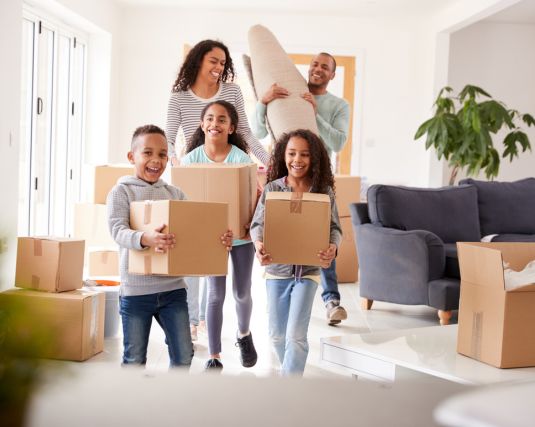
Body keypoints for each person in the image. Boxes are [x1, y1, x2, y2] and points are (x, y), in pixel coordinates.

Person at [166, 39, 270, 339]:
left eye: (223, 63)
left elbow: (247, 134)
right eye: (213, 61)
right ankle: (193, 322)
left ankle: (223, 329)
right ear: (198, 60)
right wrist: (179, 170)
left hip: (228, 170)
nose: (219, 67)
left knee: (226, 261)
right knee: (196, 254)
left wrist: (271, 162)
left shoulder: (232, 91)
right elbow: (171, 138)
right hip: (195, 170)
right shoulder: (179, 97)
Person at [107, 124, 233, 367]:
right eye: (148, 153)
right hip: (136, 291)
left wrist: (219, 240)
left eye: (163, 154)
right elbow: (117, 230)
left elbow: (196, 231)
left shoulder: (175, 194)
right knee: (134, 358)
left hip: (173, 289)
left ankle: (175, 400)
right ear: (132, 156)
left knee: (184, 354)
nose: (156, 160)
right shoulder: (121, 192)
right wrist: (145, 238)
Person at [252, 52, 350, 326]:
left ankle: (331, 300)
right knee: (282, 229)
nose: (318, 69)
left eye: (325, 67)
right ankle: (282, 285)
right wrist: (263, 102)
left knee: (320, 234)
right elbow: (258, 130)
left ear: (332, 74)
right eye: (315, 64)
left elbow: (339, 142)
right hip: (285, 175)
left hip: (317, 177)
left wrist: (315, 116)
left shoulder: (338, 105)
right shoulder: (289, 94)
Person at [250, 129, 342, 376]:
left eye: (304, 155)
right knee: (278, 335)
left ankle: (289, 386)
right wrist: (259, 245)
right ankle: (289, 373)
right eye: (292, 154)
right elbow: (257, 225)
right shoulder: (272, 189)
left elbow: (335, 228)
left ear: (314, 159)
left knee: (296, 335)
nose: (297, 160)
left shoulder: (323, 192)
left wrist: (333, 247)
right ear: (283, 156)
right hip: (277, 272)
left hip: (308, 273)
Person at [182, 100, 258, 371]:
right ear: (202, 124)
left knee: (241, 292)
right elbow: (185, 202)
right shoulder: (191, 161)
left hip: (241, 237)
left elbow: (252, 196)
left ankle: (244, 334)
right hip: (211, 238)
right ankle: (214, 356)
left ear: (231, 127)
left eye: (222, 119)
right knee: (215, 295)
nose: (215, 123)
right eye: (210, 118)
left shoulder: (240, 158)